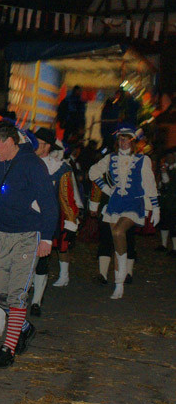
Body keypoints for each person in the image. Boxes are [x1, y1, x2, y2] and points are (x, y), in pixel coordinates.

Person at [0, 119, 58, 368]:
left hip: (28, 235)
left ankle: (9, 348)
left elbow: (49, 203)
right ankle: (24, 326)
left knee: (17, 294)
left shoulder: (32, 164)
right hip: (3, 234)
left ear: (10, 141)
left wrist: (47, 237)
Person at [88, 125, 159, 299]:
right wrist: (107, 189)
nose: (123, 142)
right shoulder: (110, 158)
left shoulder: (143, 160)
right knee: (116, 239)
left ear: (133, 141)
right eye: (120, 138)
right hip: (115, 204)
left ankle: (120, 279)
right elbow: (93, 172)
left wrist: (155, 208)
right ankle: (118, 283)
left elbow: (150, 184)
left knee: (119, 232)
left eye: (126, 138)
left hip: (134, 204)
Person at [29, 128, 81, 316]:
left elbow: (67, 197)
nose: (35, 146)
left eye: (39, 143)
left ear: (48, 146)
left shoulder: (60, 168)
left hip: (46, 221)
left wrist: (70, 222)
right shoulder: (25, 163)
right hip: (25, 219)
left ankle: (36, 301)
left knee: (42, 261)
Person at [157, 148, 176, 255]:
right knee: (163, 222)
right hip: (165, 201)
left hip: (173, 202)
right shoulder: (166, 168)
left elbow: (168, 183)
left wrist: (164, 173)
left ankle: (175, 248)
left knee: (173, 224)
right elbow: (163, 184)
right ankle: (163, 245)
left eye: (171, 156)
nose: (168, 158)